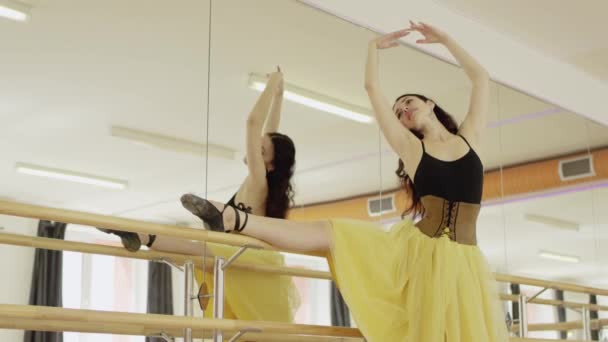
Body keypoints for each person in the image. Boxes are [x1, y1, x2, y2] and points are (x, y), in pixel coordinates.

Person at [186, 22, 509, 341]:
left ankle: (233, 219)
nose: (402, 111)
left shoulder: (470, 139)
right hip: (420, 253)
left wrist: (446, 40)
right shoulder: (412, 149)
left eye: (408, 103)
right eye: (397, 112)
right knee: (333, 232)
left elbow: (481, 78)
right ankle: (234, 218)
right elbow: (372, 89)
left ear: (430, 104)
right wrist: (372, 49)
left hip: (465, 261)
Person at [99, 68, 300, 322]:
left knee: (194, 250)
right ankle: (147, 234)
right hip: (240, 255)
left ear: (269, 165)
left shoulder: (258, 181)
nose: (253, 146)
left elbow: (253, 123)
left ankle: (199, 220)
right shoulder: (264, 181)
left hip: (244, 258)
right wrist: (279, 95)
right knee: (193, 251)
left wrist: (272, 82)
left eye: (259, 149)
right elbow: (269, 132)